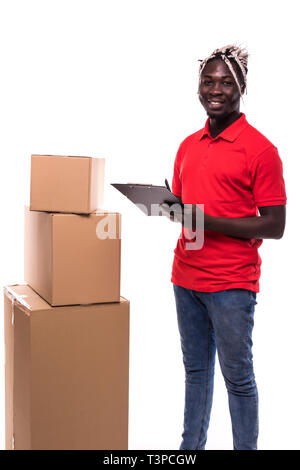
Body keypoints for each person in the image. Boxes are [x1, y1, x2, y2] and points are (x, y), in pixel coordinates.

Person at [160, 44, 287, 450]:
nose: (215, 89)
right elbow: (184, 209)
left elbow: (275, 225)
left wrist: (204, 220)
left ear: (241, 88)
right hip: (186, 278)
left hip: (232, 285)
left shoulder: (261, 150)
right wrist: (166, 206)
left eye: (226, 82)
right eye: (208, 80)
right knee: (195, 373)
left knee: (239, 379)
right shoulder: (187, 145)